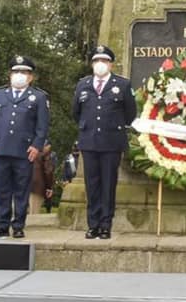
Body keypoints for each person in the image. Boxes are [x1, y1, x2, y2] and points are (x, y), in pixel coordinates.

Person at [72, 45, 136, 239]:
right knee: (92, 185)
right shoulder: (83, 84)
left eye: (104, 61)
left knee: (108, 184)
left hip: (111, 142)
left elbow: (130, 113)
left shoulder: (122, 85)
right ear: (92, 64)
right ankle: (93, 225)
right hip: (89, 142)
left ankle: (106, 225)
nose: (100, 64)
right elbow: (76, 112)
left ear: (111, 64)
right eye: (97, 61)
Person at [0, 56, 49, 239]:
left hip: (24, 151)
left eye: (24, 72)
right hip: (1, 149)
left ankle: (18, 225)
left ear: (31, 77)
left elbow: (42, 126)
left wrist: (36, 146)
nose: (19, 75)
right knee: (2, 190)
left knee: (21, 190)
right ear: (10, 74)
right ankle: (2, 226)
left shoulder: (38, 96)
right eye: (16, 72)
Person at [29, 141, 55, 215]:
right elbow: (48, 171)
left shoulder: (24, 149)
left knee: (19, 214)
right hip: (36, 186)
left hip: (21, 185)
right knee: (33, 213)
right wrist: (49, 187)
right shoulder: (44, 154)